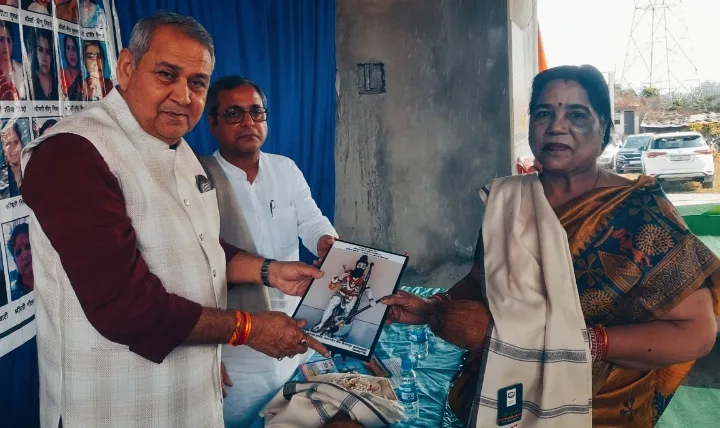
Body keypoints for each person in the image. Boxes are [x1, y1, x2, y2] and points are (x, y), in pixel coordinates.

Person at [20, 11, 330, 428]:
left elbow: (199, 243)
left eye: (197, 82)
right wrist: (248, 328)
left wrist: (269, 271)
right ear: (126, 68)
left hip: (192, 399)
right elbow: (124, 306)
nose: (183, 96)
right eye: (167, 74)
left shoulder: (178, 149)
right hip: (112, 409)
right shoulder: (73, 153)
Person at [382, 65, 720, 427]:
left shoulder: (641, 213)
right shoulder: (508, 200)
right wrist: (433, 307)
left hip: (596, 408)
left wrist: (582, 344)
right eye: (544, 113)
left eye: (576, 114)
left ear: (604, 128)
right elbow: (482, 279)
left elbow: (696, 334)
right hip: (502, 393)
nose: (557, 127)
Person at [200, 75, 339, 428]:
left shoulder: (284, 168)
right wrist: (205, 355)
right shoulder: (197, 178)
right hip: (238, 341)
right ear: (212, 123)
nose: (248, 122)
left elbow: (312, 220)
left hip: (294, 326)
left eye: (256, 112)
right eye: (234, 113)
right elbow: (190, 268)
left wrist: (324, 240)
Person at [310, 255, 377, 338]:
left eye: (363, 266)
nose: (361, 267)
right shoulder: (347, 274)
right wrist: (334, 281)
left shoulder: (363, 280)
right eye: (359, 265)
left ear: (365, 268)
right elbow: (333, 285)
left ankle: (338, 327)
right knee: (333, 302)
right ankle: (321, 323)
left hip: (352, 297)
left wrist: (371, 299)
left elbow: (367, 290)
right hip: (341, 293)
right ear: (356, 265)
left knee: (347, 311)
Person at [27, 28, 58, 101]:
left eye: (48, 52)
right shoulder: (29, 82)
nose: (44, 58)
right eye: (40, 50)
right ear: (35, 51)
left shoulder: (59, 82)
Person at [0, 22, 26, 101]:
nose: (6, 45)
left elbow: (23, 99)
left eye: (9, 40)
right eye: (1, 40)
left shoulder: (20, 69)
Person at [8, 222, 32, 301]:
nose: (24, 255)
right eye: (18, 252)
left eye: (28, 246)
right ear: (15, 262)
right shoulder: (14, 297)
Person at [1, 120, 23, 197]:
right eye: (8, 144)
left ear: (21, 144)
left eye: (16, 142)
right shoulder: (1, 177)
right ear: (4, 150)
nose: (13, 148)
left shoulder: (32, 171)